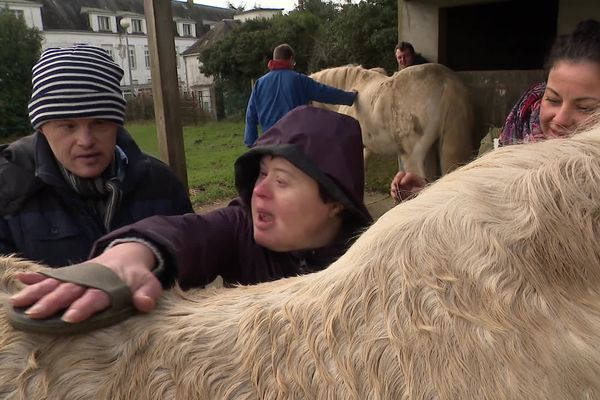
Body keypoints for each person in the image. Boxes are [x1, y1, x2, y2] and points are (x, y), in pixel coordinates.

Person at [9, 106, 373, 333]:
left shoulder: (378, 264)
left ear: (336, 203)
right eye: (261, 174)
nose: (259, 192)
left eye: (281, 181)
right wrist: (129, 255)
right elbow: (190, 232)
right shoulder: (241, 228)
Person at [0, 44, 193, 267]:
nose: (86, 141)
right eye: (68, 126)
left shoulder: (162, 184)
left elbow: (193, 271)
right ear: (42, 128)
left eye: (99, 123)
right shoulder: (7, 191)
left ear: (117, 123)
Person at [390, 19, 600, 202]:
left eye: (586, 108)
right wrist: (429, 194)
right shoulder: (518, 128)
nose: (561, 118)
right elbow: (485, 200)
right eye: (553, 99)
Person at [243, 43, 358, 147]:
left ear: (275, 59)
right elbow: (325, 92)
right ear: (291, 60)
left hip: (270, 144)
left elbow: (251, 114)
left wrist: (251, 142)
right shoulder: (299, 80)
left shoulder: (259, 83)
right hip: (295, 145)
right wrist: (349, 97)